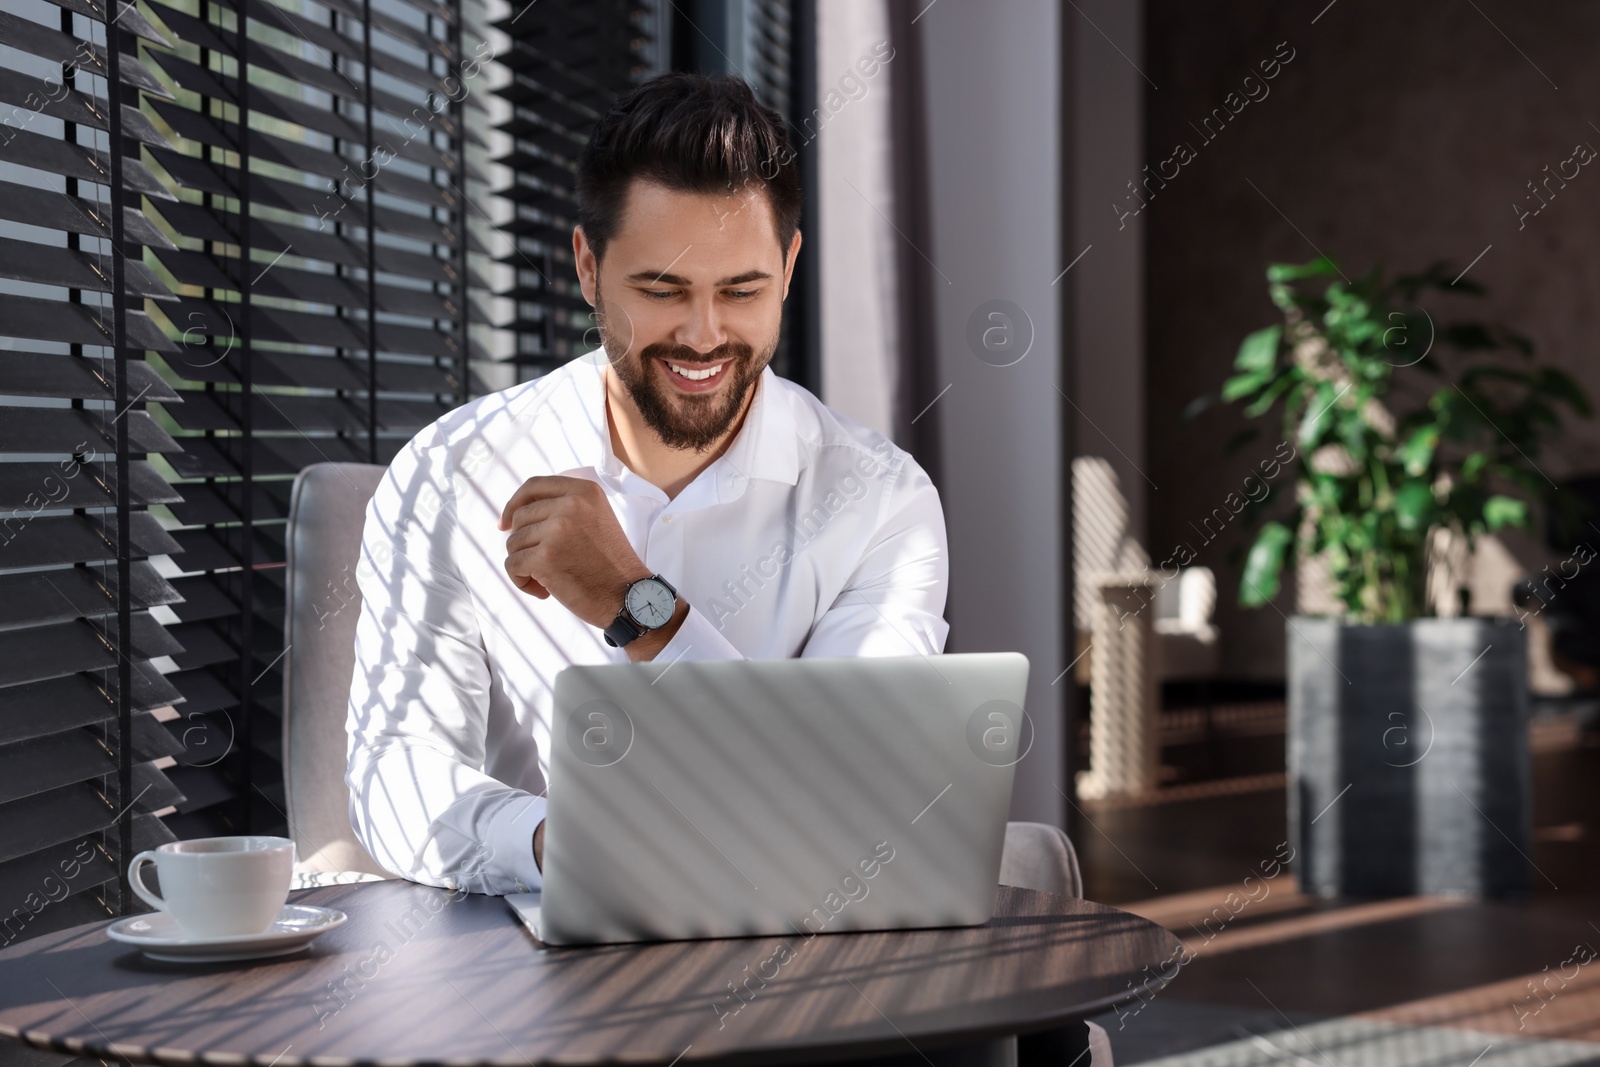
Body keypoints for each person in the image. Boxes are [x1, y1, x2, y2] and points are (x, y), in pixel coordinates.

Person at [345, 72, 950, 895]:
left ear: (790, 265)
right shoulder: (455, 473)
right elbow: (396, 771)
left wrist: (638, 606)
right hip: (535, 964)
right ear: (589, 268)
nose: (704, 336)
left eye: (742, 290)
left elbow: (842, 792)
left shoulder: (883, 503)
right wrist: (557, 844)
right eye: (662, 291)